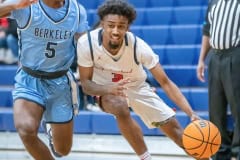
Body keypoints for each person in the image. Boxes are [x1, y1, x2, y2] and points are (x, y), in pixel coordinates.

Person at [77, 0, 208, 160]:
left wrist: (191, 113)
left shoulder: (139, 47)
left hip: (136, 87)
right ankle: (145, 157)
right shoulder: (86, 44)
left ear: (128, 27)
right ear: (102, 24)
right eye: (111, 25)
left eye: (121, 26)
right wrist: (108, 89)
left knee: (179, 134)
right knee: (119, 106)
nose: (116, 31)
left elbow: (165, 82)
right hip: (105, 88)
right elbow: (86, 84)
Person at [0, 0, 89, 159]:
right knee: (26, 130)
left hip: (60, 82)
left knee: (63, 150)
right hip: (30, 78)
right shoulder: (26, 5)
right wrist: (13, 5)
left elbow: (86, 46)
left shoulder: (77, 10)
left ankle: (48, 125)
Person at [197, 0, 240, 159]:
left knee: (238, 107)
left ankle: (238, 150)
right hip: (215, 57)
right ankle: (220, 151)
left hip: (236, 54)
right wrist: (202, 60)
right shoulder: (213, 2)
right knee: (216, 109)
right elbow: (207, 31)